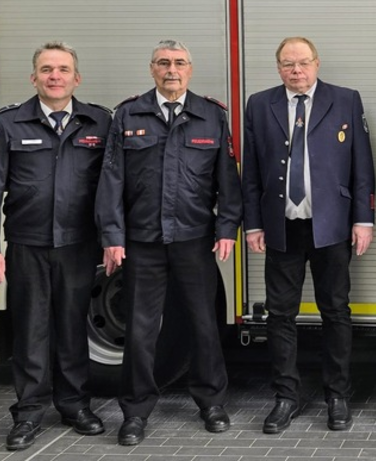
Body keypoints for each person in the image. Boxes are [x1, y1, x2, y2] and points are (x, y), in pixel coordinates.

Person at [96, 40, 241, 446]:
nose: (171, 70)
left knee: (204, 323)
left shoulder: (211, 116)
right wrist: (112, 236)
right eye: (163, 63)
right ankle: (135, 410)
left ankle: (211, 402)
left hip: (194, 239)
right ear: (152, 69)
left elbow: (227, 179)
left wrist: (226, 228)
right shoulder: (129, 114)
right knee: (141, 330)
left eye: (179, 63)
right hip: (142, 242)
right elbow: (111, 179)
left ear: (190, 69)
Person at [0, 42, 110, 450]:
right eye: (47, 69)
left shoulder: (99, 122)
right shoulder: (9, 123)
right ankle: (29, 412)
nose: (55, 76)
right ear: (33, 77)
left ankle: (74, 405)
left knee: (72, 328)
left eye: (63, 69)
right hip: (27, 244)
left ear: (76, 78)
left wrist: (113, 239)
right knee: (30, 331)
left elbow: (114, 186)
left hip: (78, 244)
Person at [242, 37, 375, 433]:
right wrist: (253, 223)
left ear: (317, 63)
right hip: (281, 227)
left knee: (335, 310)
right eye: (288, 64)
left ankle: (337, 394)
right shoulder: (259, 104)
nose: (296, 70)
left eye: (302, 62)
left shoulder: (345, 100)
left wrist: (363, 219)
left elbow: (362, 164)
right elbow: (251, 170)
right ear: (278, 68)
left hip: (331, 226)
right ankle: (286, 396)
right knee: (280, 314)